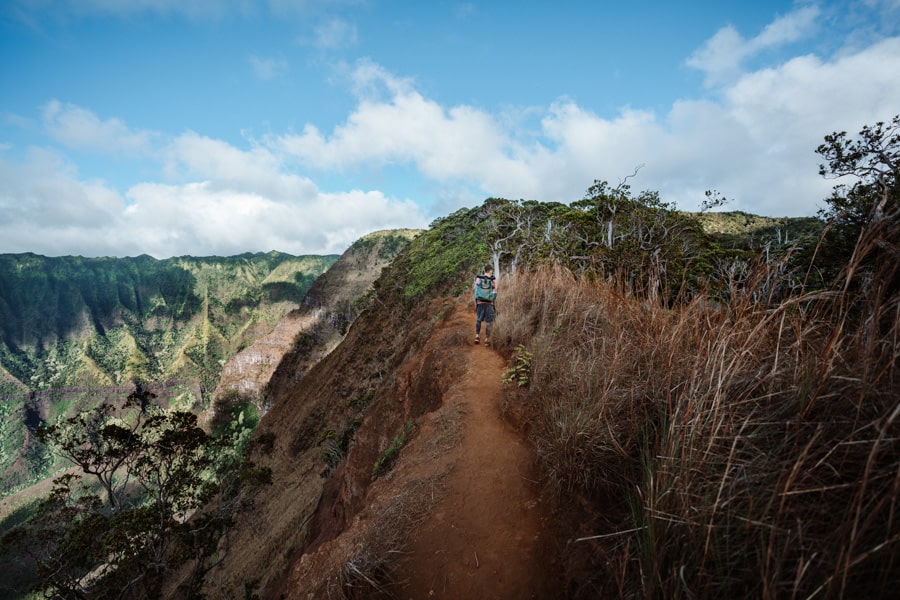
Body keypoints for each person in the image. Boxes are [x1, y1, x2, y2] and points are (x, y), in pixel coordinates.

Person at [473, 264, 497, 346]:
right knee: (488, 322)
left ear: (484, 270)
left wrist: (477, 300)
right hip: (489, 303)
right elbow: (495, 291)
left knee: (479, 319)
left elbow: (475, 289)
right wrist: (492, 300)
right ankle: (487, 340)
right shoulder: (493, 279)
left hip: (480, 302)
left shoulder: (479, 278)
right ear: (490, 270)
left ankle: (477, 336)